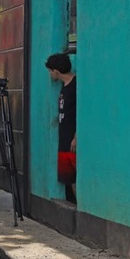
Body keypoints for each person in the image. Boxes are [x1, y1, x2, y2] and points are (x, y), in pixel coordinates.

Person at [45, 53, 76, 203]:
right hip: (64, 138)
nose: (50, 75)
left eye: (50, 71)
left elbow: (81, 113)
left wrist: (76, 137)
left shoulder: (76, 85)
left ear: (56, 71)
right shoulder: (64, 86)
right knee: (67, 178)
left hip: (72, 139)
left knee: (76, 176)